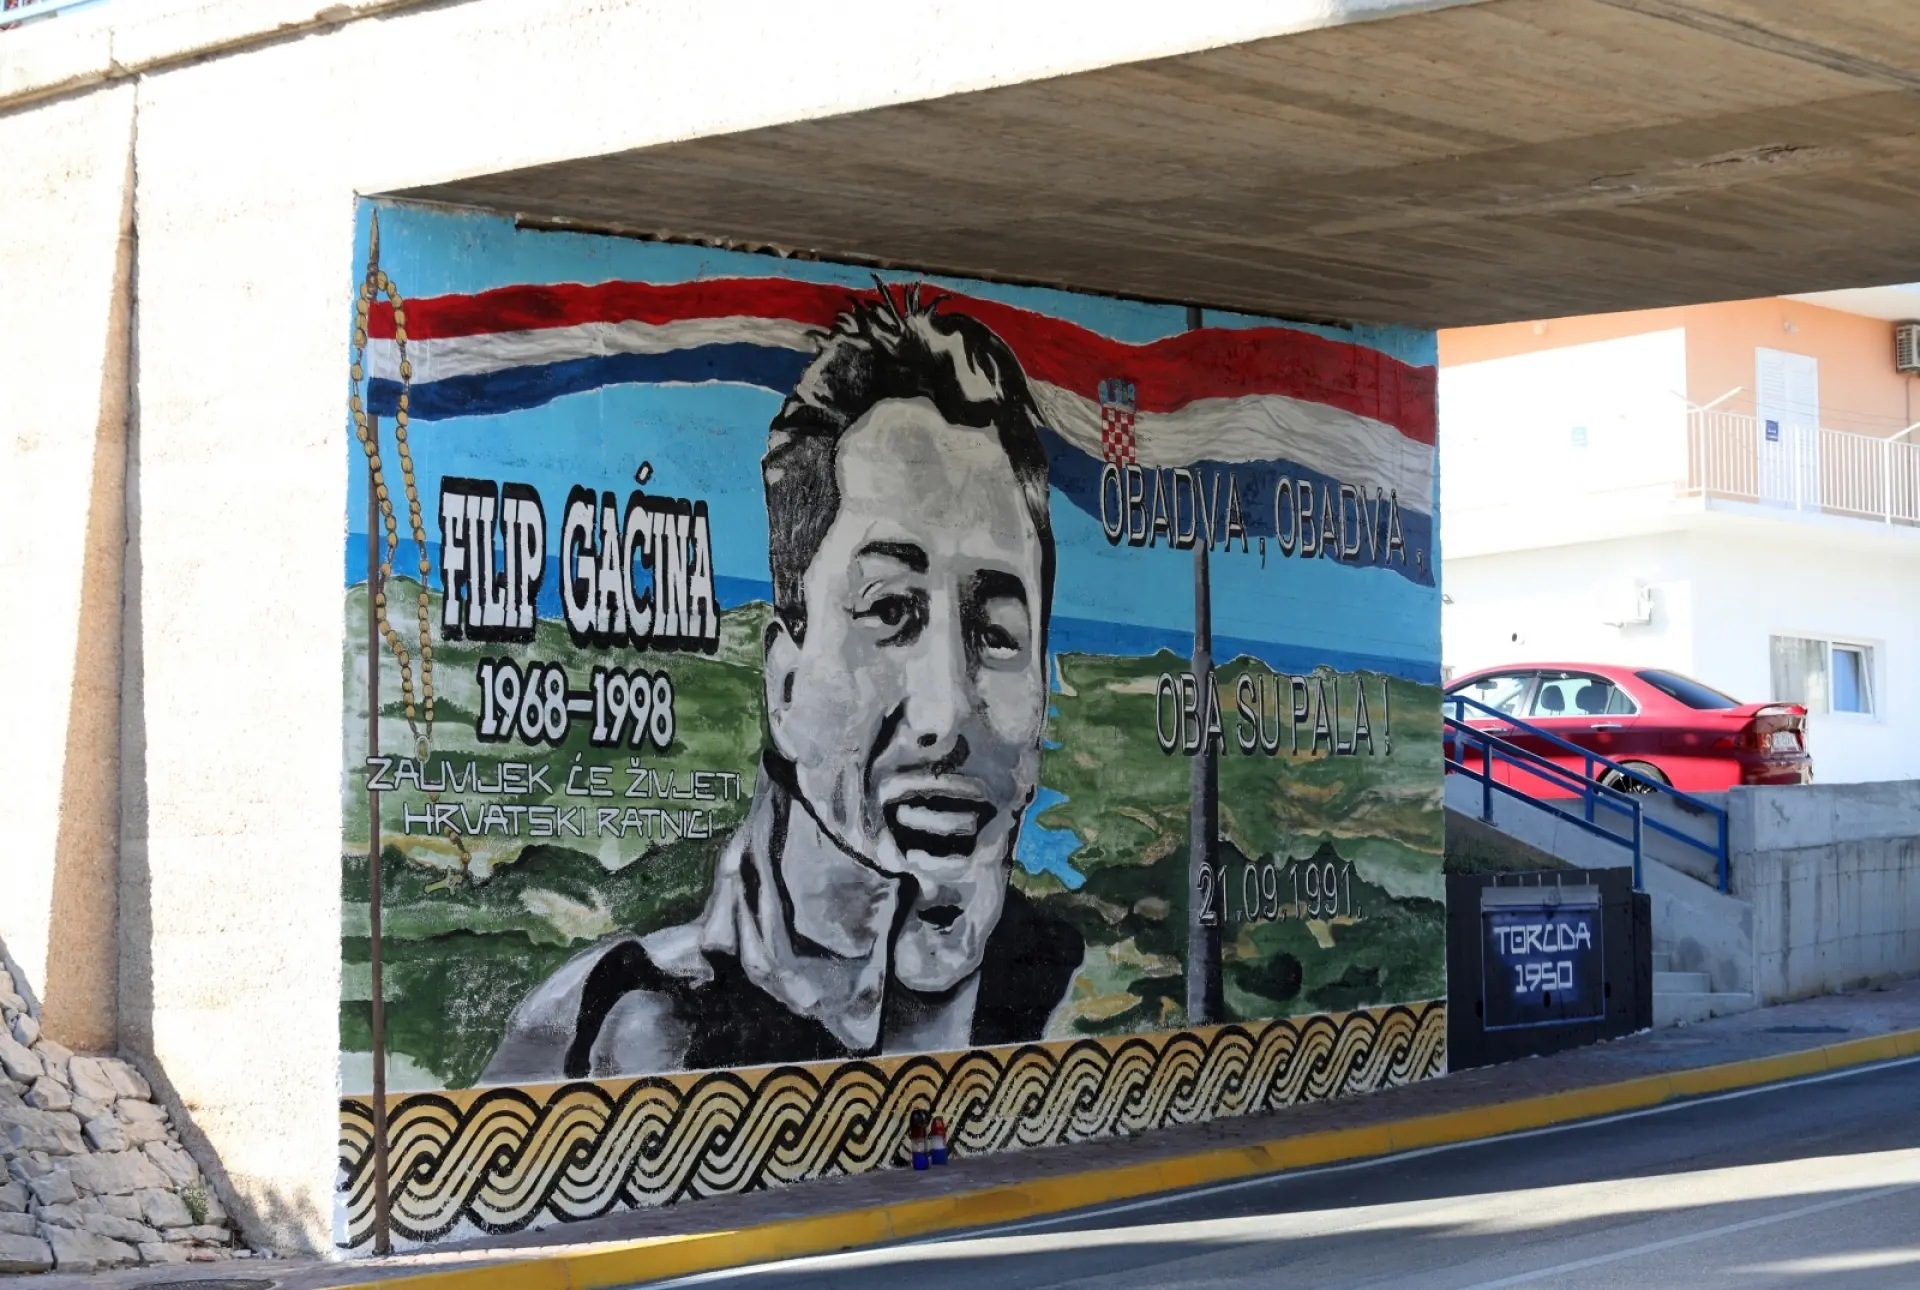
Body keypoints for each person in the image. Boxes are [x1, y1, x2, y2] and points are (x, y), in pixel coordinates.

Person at [484, 286, 1084, 1082]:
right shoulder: (597, 1033)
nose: (945, 712)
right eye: (890, 611)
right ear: (786, 687)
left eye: (998, 635)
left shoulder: (1082, 1005)